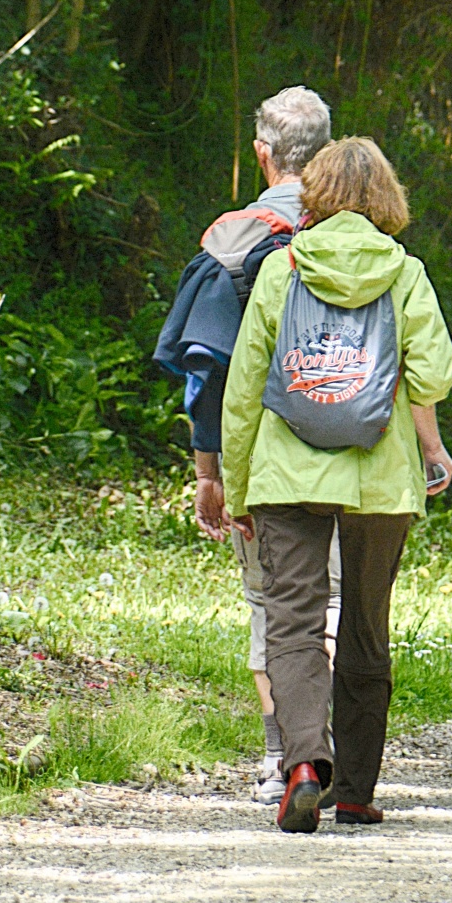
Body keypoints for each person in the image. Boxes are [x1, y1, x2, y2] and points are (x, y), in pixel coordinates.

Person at [221, 136, 452, 832]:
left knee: (293, 621)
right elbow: (436, 374)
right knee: (364, 626)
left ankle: (302, 765)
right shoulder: (404, 273)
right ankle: (354, 791)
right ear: (387, 197)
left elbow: (243, 392)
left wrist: (238, 488)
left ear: (313, 193)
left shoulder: (282, 268)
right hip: (381, 478)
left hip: (287, 472)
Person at [153, 86, 341, 804]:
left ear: (261, 155)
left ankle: (284, 759)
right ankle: (339, 758)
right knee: (334, 605)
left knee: (273, 604)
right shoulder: (367, 234)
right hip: (355, 452)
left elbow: (210, 371)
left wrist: (209, 470)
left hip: (264, 456)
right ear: (327, 154)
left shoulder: (233, 240)